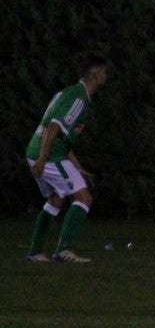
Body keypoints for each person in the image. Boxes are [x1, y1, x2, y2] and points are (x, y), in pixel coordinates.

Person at [24, 54, 110, 264]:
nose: (106, 76)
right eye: (105, 72)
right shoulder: (79, 99)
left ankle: (35, 252)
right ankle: (63, 250)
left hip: (35, 152)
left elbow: (63, 137)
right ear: (96, 75)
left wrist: (77, 167)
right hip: (48, 155)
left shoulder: (67, 93)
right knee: (84, 198)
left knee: (55, 200)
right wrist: (44, 160)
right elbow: (53, 128)